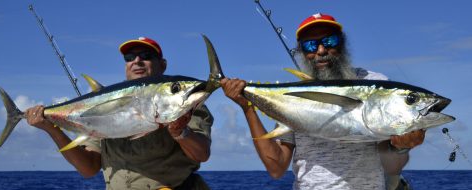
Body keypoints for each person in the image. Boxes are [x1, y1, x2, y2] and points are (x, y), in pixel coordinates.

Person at [221, 13, 425, 190]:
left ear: (342, 43)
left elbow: (391, 167)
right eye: (310, 45)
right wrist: (248, 108)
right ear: (302, 52)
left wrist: (401, 147)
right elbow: (276, 167)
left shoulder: (375, 84)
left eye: (329, 41)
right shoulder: (291, 97)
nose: (320, 50)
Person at [25, 37, 214, 190]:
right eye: (129, 57)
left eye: (146, 55)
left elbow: (201, 154)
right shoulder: (105, 103)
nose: (137, 61)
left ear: (162, 65)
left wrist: (181, 133)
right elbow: (89, 168)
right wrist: (52, 129)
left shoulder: (186, 103)